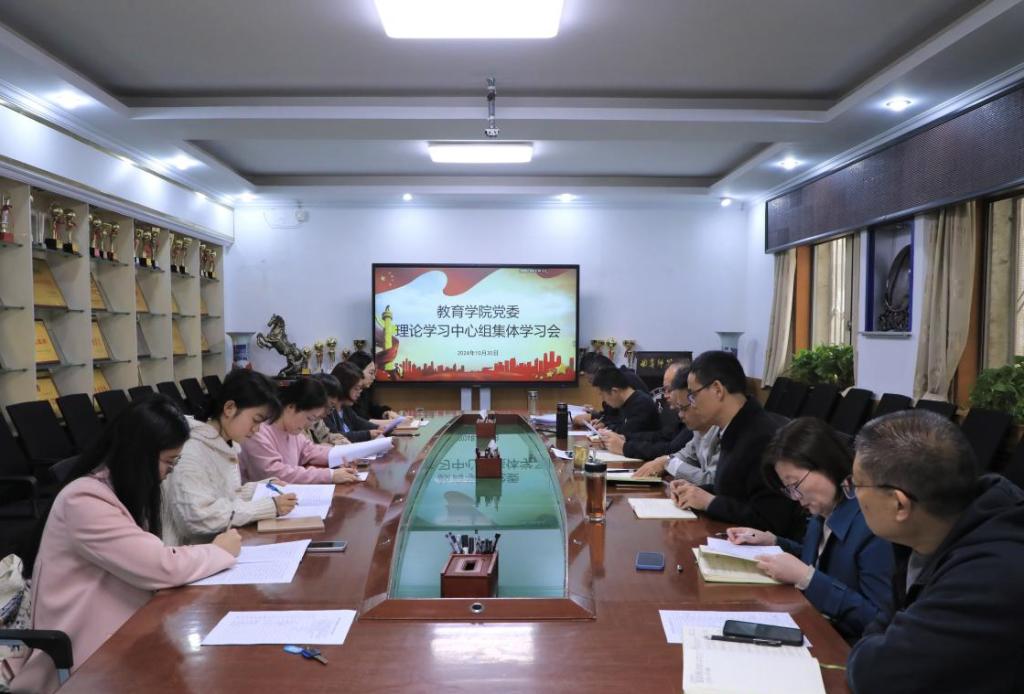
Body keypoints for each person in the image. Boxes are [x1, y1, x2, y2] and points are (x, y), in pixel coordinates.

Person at [11, 397, 240, 694]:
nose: (170, 472)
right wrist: (219, 551)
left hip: (120, 634)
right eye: (169, 462)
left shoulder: (121, 490)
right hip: (84, 654)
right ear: (139, 455)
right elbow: (159, 565)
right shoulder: (84, 501)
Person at [846, 410, 1024, 692]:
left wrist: (876, 646)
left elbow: (876, 675)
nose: (854, 494)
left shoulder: (988, 577)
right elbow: (884, 626)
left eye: (856, 484)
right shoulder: (932, 534)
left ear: (899, 504)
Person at [726, 417, 892, 640]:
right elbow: (818, 558)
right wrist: (773, 541)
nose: (795, 497)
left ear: (826, 463)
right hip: (812, 625)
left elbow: (879, 622)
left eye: (795, 484)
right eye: (788, 490)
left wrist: (808, 578)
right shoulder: (823, 510)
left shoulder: (872, 523)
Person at [670, 351, 803, 537]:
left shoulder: (762, 437)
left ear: (717, 389)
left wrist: (709, 502)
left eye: (693, 395)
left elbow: (769, 520)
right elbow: (733, 492)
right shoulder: (735, 427)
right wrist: (693, 491)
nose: (691, 404)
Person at [162, 369, 300, 546]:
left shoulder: (224, 443)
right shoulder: (191, 450)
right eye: (256, 420)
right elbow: (198, 517)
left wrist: (257, 489)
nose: (257, 429)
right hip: (192, 552)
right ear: (229, 408)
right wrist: (268, 507)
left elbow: (223, 496)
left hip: (219, 546)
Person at [239, 377, 360, 485]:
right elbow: (276, 473)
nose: (309, 425)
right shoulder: (258, 432)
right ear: (291, 407)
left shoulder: (292, 431)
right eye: (309, 418)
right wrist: (329, 475)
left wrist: (344, 455)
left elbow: (311, 450)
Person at [639, 367, 721, 483]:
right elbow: (685, 455)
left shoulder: (726, 430)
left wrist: (667, 463)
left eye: (684, 408)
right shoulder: (699, 430)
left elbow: (713, 480)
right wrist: (665, 461)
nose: (680, 415)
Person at [600, 362, 692, 460]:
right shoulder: (677, 414)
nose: (665, 396)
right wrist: (626, 438)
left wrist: (625, 447)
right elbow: (662, 436)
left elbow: (671, 450)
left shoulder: (641, 403)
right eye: (664, 390)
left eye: (669, 390)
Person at [572, 352, 649, 429]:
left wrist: (593, 417)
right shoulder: (617, 379)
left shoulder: (626, 381)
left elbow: (626, 421)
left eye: (591, 380)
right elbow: (613, 415)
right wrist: (597, 415)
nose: (594, 385)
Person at [589, 366, 660, 436]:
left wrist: (607, 429)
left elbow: (627, 434)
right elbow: (620, 425)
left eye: (602, 395)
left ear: (614, 391)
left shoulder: (641, 405)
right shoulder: (625, 402)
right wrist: (605, 425)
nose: (603, 400)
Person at [328, 362, 384, 442]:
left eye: (360, 388)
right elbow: (335, 435)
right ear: (344, 387)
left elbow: (358, 422)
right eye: (356, 388)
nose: (359, 392)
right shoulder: (327, 411)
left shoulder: (345, 408)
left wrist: (378, 428)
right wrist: (368, 434)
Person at [346, 350, 397, 421]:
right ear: (357, 371)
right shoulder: (346, 396)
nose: (374, 377)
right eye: (371, 373)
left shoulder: (365, 390)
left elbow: (371, 409)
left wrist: (385, 413)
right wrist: (392, 422)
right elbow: (360, 422)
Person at [306, 373, 351, 445]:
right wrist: (332, 445)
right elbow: (306, 449)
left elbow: (326, 436)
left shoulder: (317, 420)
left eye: (331, 408)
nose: (328, 412)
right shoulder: (299, 418)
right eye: (327, 406)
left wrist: (340, 439)